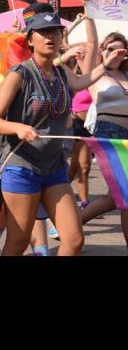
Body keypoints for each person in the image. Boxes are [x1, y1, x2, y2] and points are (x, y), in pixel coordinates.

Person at [0, 12, 124, 256]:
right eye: (44, 32)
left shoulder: (61, 72)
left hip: (54, 167)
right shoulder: (20, 74)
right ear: (30, 40)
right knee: (18, 241)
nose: (51, 37)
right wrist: (18, 128)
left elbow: (81, 82)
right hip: (21, 166)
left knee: (74, 239)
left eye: (55, 32)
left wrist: (106, 63)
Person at [80, 31, 128, 247]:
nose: (115, 53)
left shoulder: (126, 74)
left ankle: (69, 224)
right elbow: (91, 43)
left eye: (120, 49)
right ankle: (69, 224)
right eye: (110, 49)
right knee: (125, 195)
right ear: (103, 51)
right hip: (109, 134)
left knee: (117, 198)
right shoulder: (95, 73)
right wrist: (88, 17)